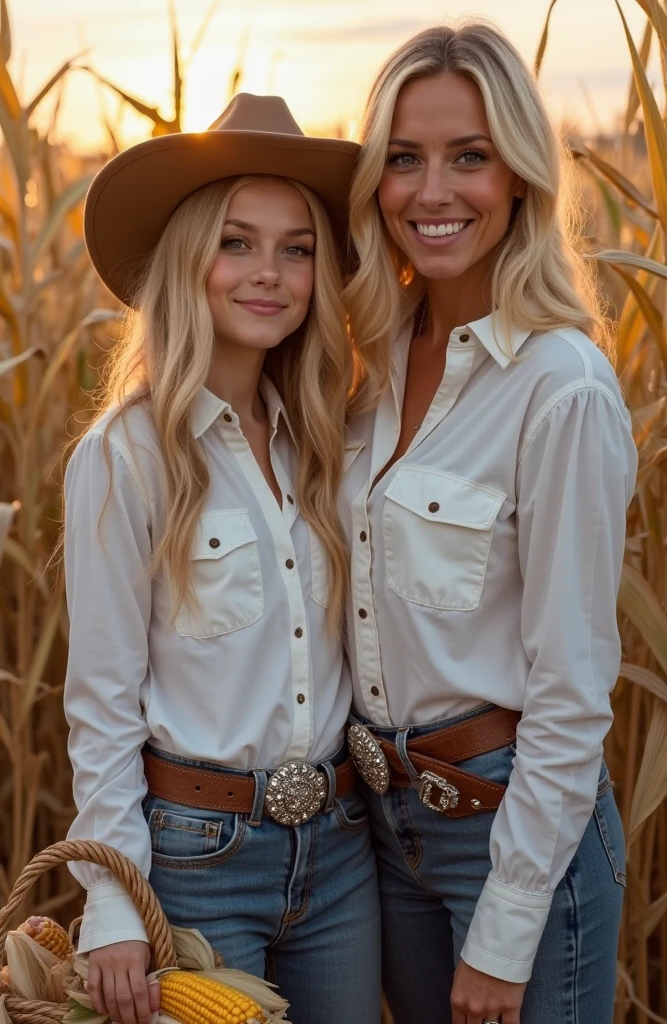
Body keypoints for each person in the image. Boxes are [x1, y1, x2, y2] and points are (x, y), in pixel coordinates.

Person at [341, 22, 637, 1024]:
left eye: (468, 157)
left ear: (518, 176)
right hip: (382, 832)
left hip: (514, 836)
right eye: (403, 159)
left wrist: (507, 925)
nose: (432, 193)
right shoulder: (362, 370)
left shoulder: (561, 388)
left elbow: (572, 686)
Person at [63, 93, 381, 1024]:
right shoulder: (124, 457)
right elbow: (101, 702)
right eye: (237, 242)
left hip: (340, 848)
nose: (269, 273)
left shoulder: (320, 442)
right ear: (188, 258)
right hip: (197, 859)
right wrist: (113, 901)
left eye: (297, 247)